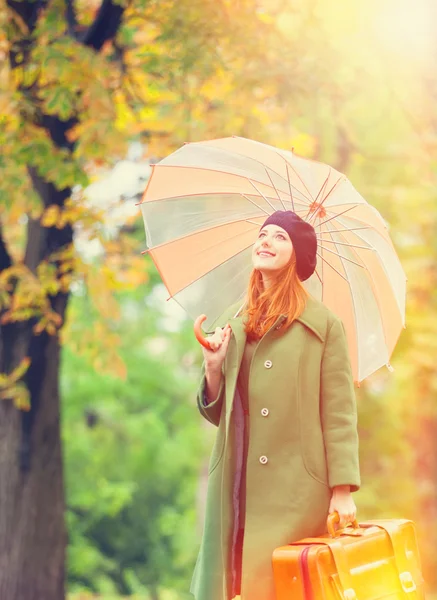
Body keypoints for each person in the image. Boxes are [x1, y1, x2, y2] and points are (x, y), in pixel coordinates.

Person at [190, 210, 360, 600]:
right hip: (238, 483)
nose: (266, 241)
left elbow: (339, 413)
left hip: (298, 487)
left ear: (298, 255)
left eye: (280, 236)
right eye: (263, 234)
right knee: (234, 584)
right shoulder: (237, 323)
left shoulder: (323, 326)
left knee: (287, 585)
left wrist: (342, 489)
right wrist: (213, 369)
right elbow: (222, 414)